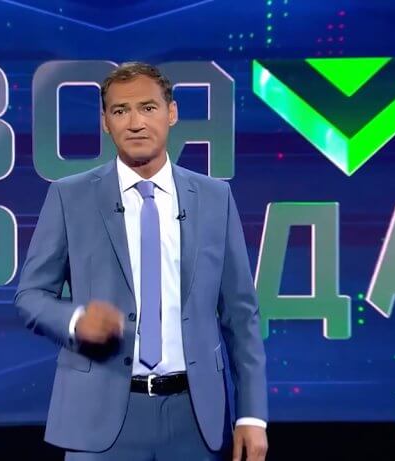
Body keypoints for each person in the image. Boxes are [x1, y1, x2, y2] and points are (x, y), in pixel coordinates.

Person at [15, 62, 268, 460]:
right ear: (105, 122)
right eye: (120, 111)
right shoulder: (70, 197)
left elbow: (241, 313)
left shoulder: (214, 198)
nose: (135, 123)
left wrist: (252, 415)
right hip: (99, 418)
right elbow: (30, 296)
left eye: (148, 108)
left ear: (172, 112)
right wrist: (77, 320)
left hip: (196, 419)